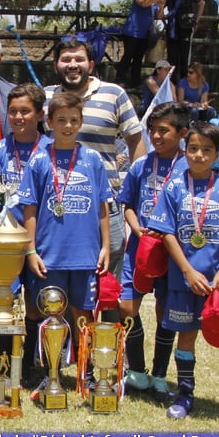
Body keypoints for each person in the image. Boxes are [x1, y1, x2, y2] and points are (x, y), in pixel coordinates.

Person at [147, 121, 219, 419]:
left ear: (217, 153)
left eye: (206, 150)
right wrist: (187, 271)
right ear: (185, 150)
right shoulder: (175, 186)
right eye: (193, 148)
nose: (198, 155)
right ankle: (185, 393)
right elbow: (166, 233)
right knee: (187, 334)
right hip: (186, 281)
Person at [19, 92, 111, 390]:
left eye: (73, 120)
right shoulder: (38, 161)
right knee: (51, 313)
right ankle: (52, 373)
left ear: (81, 121)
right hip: (50, 254)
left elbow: (102, 206)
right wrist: (31, 249)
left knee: (84, 313)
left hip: (85, 254)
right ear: (49, 122)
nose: (68, 126)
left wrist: (106, 246)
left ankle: (88, 373)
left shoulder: (93, 160)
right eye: (61, 120)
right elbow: (29, 208)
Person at [45, 37, 145, 280]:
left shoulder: (114, 93)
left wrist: (137, 190)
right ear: (56, 65)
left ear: (91, 64)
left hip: (105, 205)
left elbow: (135, 140)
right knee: (63, 279)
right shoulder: (45, 97)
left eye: (78, 59)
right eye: (65, 59)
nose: (72, 64)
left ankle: (108, 319)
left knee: (108, 279)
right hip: (58, 203)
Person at [117, 101, 190, 402]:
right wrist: (136, 228)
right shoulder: (140, 164)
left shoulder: (190, 167)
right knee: (125, 308)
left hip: (172, 252)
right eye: (152, 131)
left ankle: (159, 375)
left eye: (164, 131)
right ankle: (137, 371)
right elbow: (128, 204)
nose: (156, 137)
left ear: (182, 132)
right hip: (140, 248)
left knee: (165, 312)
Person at [0, 83, 51, 386]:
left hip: (39, 239)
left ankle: (33, 366)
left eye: (25, 111)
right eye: (12, 111)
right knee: (4, 300)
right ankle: (2, 366)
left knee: (38, 303)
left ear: (39, 114)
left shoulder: (51, 149)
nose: (18, 116)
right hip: (6, 243)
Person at [116, 0, 169, 88]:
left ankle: (134, 82)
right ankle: (120, 79)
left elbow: (159, 16)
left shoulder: (154, 0)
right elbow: (144, 3)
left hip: (144, 34)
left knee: (138, 58)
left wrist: (162, 5)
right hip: (132, 32)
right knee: (128, 55)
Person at [164, 0, 205, 81]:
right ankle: (172, 84)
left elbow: (201, 3)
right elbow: (160, 11)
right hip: (172, 30)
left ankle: (183, 85)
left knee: (185, 59)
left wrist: (196, 20)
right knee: (172, 60)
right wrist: (165, 23)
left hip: (185, 28)